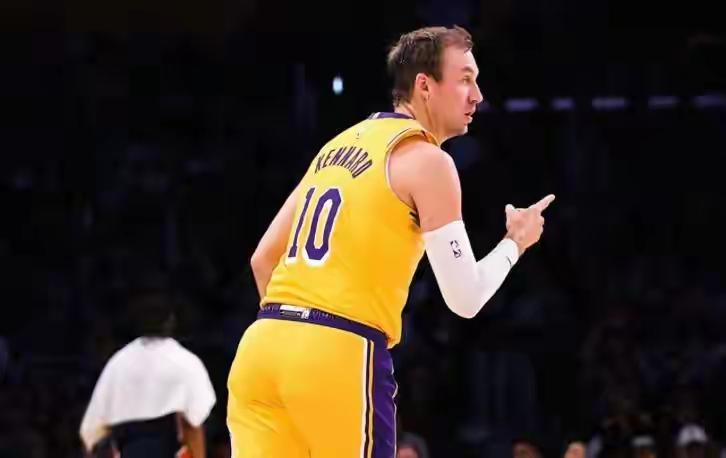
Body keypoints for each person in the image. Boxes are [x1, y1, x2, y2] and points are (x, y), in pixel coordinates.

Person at [227, 25, 555, 457]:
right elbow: (465, 298)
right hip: (337, 349)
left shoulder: (336, 146)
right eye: (465, 80)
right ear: (424, 86)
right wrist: (515, 242)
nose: (477, 95)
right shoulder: (428, 160)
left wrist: (293, 334)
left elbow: (262, 259)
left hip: (261, 349)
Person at [79, 289, 216, 457]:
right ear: (171, 321)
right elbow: (193, 424)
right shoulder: (186, 362)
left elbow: (91, 434)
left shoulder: (118, 364)